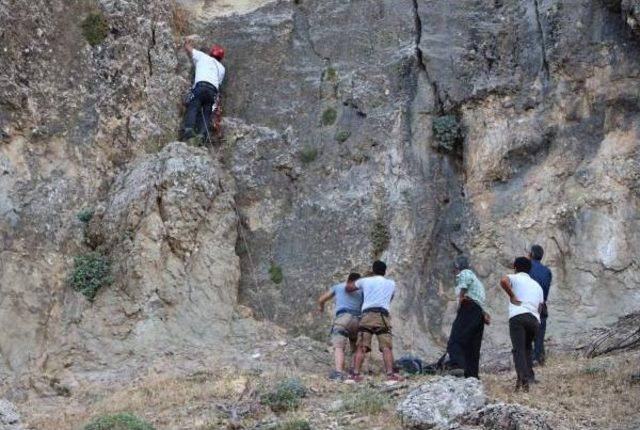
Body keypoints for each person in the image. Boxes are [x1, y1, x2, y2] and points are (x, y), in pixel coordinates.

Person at [347, 261, 403, 382]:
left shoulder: (365, 281)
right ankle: (390, 374)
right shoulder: (391, 283)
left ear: (373, 270)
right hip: (382, 316)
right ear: (385, 271)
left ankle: (355, 374)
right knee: (386, 347)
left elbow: (349, 288)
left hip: (367, 315)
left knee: (361, 346)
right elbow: (390, 298)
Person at [499, 257, 544, 392]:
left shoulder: (514, 277)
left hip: (518, 316)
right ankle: (529, 376)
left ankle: (523, 380)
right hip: (534, 319)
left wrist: (512, 295)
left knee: (518, 349)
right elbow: (541, 306)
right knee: (527, 349)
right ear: (529, 270)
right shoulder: (537, 285)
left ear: (515, 267)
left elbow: (503, 281)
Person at [445, 255, 490, 379]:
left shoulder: (465, 273)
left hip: (468, 307)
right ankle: (472, 375)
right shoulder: (477, 280)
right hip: (478, 312)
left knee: (455, 338)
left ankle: (457, 366)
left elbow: (464, 286)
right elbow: (479, 300)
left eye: (454, 268)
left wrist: (460, 299)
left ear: (457, 266)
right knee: (473, 345)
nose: (453, 271)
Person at [317, 273, 363, 380]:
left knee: (339, 347)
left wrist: (321, 307)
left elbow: (321, 299)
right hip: (357, 320)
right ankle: (353, 372)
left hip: (342, 318)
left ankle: (339, 372)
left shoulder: (338, 287)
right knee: (355, 347)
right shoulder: (361, 291)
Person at [182, 38, 225, 142]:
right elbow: (218, 82)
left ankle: (189, 129)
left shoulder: (202, 56)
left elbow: (189, 49)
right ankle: (202, 135)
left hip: (200, 86)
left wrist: (187, 42)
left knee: (194, 105)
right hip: (212, 91)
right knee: (206, 112)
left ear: (211, 53)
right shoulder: (222, 68)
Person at [528, 244, 552, 366]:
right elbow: (546, 292)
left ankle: (530, 359)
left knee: (526, 334)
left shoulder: (526, 269)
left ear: (531, 254)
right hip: (541, 305)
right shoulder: (547, 271)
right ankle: (538, 358)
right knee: (539, 334)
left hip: (527, 306)